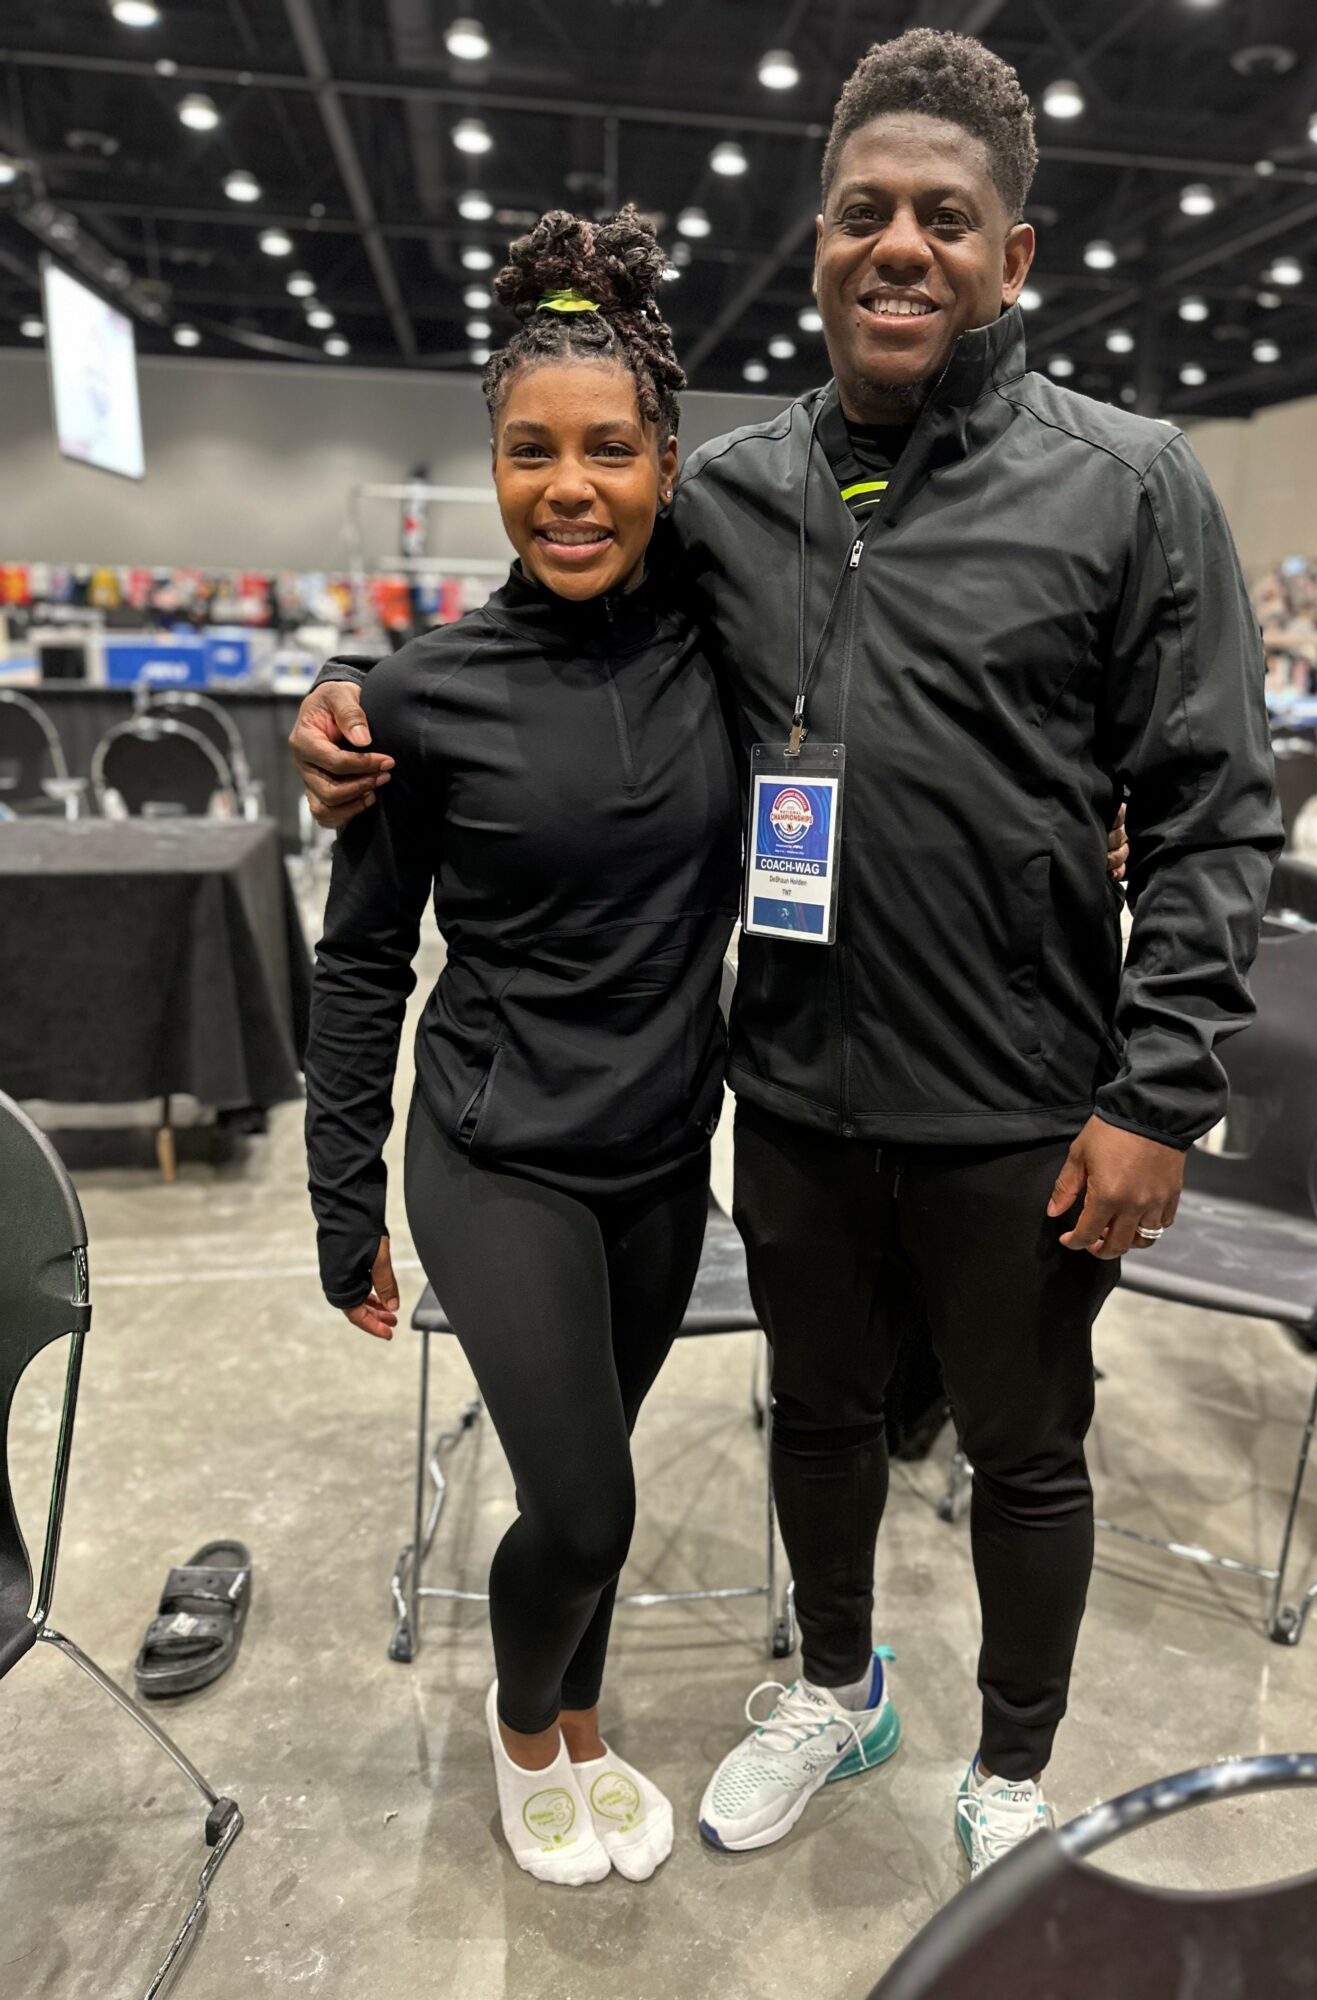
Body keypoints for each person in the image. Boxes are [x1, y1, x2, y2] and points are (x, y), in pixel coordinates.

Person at [292, 30, 1279, 1882]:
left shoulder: (1130, 484)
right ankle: (837, 1689)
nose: (900, 246)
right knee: (813, 1419)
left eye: (945, 218)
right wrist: (352, 695)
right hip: (796, 1089)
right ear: (817, 242)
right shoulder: (733, 495)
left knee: (1025, 1450)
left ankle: (1012, 1768)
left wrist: (1160, 1097)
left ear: (1013, 255)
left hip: (1022, 1097)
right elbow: (550, 598)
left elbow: (1217, 813)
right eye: (863, 212)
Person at [303, 208, 742, 1888]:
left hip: (663, 1156)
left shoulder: (726, 648)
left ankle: (584, 1722)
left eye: (609, 450)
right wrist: (342, 1195)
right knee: (588, 1505)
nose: (570, 487)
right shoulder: (419, 699)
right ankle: (517, 1727)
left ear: (665, 465)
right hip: (494, 1157)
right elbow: (362, 962)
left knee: (595, 1482)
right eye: (530, 451)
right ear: (490, 466)